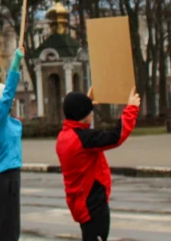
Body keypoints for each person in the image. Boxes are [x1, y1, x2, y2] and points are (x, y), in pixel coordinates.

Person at [56, 87, 141, 241]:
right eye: (90, 111)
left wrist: (86, 103)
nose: (92, 114)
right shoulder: (83, 140)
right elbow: (116, 136)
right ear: (83, 115)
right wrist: (131, 108)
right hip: (92, 204)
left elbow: (83, 125)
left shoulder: (64, 136)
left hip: (80, 202)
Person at [0, 47, 25, 241]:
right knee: (6, 226)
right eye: (6, 100)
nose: (10, 102)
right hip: (5, 176)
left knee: (11, 224)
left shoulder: (8, 120)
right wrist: (16, 62)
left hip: (11, 175)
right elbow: (9, 92)